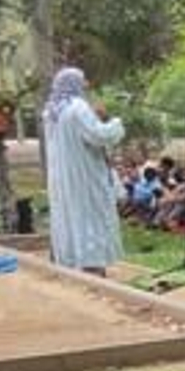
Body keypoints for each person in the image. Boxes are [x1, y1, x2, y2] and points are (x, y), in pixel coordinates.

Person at [43, 67, 126, 274]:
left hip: (62, 177)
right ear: (75, 84)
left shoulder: (51, 111)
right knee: (89, 218)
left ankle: (70, 260)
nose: (87, 84)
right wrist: (114, 122)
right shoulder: (78, 107)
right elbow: (98, 136)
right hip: (83, 175)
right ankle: (92, 266)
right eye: (83, 80)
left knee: (69, 217)